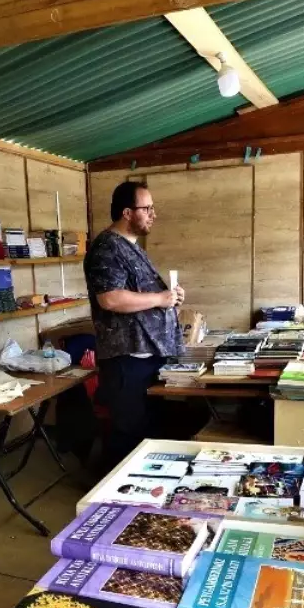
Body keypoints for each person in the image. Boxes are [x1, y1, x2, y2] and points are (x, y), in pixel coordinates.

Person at [84, 181, 185, 472]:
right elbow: (111, 299)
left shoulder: (130, 246)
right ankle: (110, 500)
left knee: (145, 430)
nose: (153, 214)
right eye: (147, 208)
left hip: (145, 355)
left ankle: (137, 493)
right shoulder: (107, 247)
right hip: (126, 358)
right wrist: (159, 297)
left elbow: (142, 295)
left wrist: (170, 297)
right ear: (127, 212)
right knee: (127, 434)